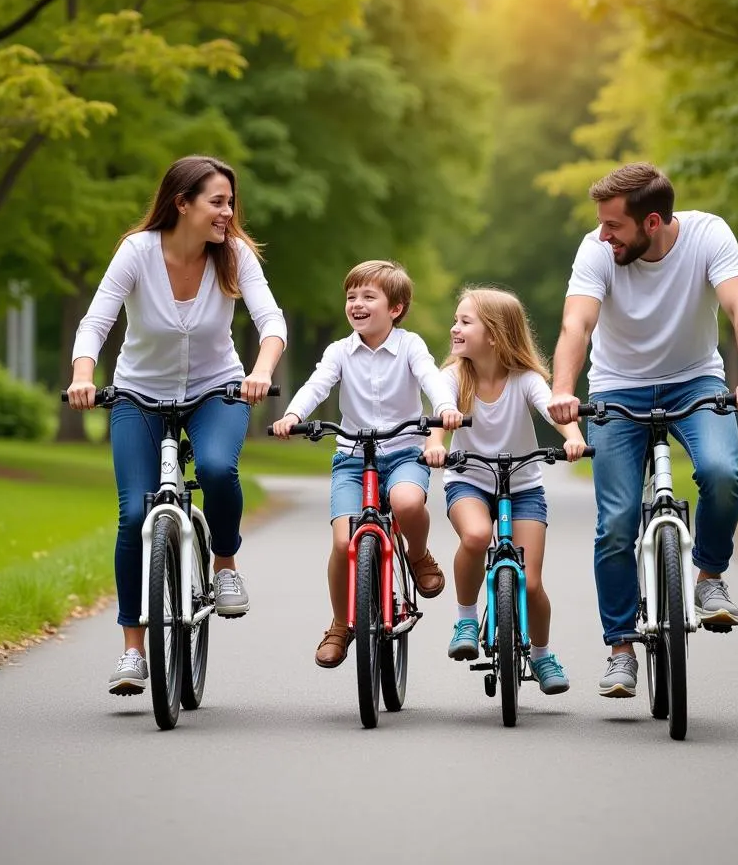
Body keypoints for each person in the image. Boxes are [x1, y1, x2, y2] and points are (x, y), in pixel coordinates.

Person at [67, 155, 286, 695]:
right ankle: (133, 652)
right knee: (133, 513)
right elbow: (97, 320)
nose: (227, 212)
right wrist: (82, 375)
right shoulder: (137, 252)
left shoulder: (233, 254)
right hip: (138, 394)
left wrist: (260, 371)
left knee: (214, 468)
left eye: (231, 202)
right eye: (217, 201)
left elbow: (270, 320)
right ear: (181, 203)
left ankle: (225, 563)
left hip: (219, 389)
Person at [547, 162, 738, 698]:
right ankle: (621, 647)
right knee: (617, 522)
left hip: (695, 383)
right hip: (618, 388)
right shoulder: (596, 250)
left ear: (651, 222)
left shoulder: (709, 234)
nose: (603, 235)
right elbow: (577, 322)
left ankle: (709, 577)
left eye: (613, 226)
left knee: (720, 473)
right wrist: (562, 388)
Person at [271, 260, 463, 668]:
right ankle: (341, 623)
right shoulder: (340, 351)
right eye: (351, 296)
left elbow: (431, 378)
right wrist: (292, 415)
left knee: (408, 502)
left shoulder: (410, 346)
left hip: (403, 452)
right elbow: (317, 383)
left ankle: (418, 553)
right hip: (353, 459)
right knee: (344, 542)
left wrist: (445, 407)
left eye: (368, 297)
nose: (356, 304)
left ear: (395, 308)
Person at [423, 288, 587, 695]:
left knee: (530, 583)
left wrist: (572, 436)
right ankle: (465, 616)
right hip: (468, 479)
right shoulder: (453, 378)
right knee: (477, 536)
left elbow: (552, 407)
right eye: (456, 320)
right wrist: (435, 444)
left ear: (494, 335)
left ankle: (543, 653)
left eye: (465, 322)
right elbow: (442, 414)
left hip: (523, 485)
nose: (454, 328)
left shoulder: (525, 380)